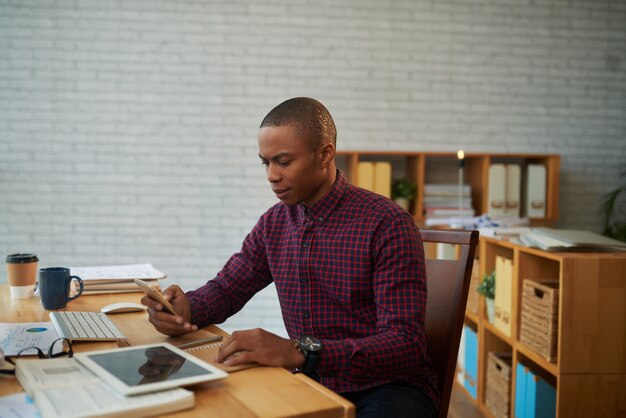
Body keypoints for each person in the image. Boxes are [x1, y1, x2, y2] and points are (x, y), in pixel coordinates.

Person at [142, 97, 438, 417]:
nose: (271, 175)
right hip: (311, 379)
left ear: (325, 154)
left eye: (283, 161)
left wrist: (302, 351)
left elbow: (406, 344)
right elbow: (228, 288)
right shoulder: (274, 224)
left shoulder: (387, 223)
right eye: (265, 162)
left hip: (386, 388)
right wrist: (185, 310)